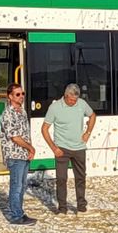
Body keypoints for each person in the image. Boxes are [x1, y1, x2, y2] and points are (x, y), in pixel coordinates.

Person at [42, 83, 95, 215]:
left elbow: (93, 116)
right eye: (71, 100)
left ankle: (81, 207)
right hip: (62, 148)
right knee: (61, 179)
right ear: (65, 95)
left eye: (75, 100)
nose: (73, 102)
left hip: (79, 148)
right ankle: (62, 208)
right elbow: (44, 129)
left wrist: (88, 132)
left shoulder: (82, 104)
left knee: (81, 177)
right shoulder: (54, 108)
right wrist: (54, 148)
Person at [0, 83, 36, 226]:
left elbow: (25, 134)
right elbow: (15, 137)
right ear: (10, 96)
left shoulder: (22, 111)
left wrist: (28, 151)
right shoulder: (8, 114)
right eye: (17, 94)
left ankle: (19, 212)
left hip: (23, 155)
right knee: (16, 186)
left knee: (21, 185)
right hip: (14, 155)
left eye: (22, 94)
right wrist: (30, 148)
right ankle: (15, 216)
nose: (21, 97)